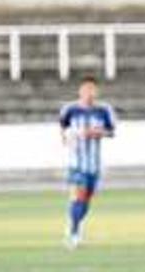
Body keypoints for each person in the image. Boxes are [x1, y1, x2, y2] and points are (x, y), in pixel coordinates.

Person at [59, 75, 116, 249]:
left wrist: (98, 133)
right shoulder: (70, 110)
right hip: (77, 163)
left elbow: (111, 132)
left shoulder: (103, 111)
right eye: (86, 89)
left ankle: (74, 226)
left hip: (94, 164)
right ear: (80, 91)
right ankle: (74, 234)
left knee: (86, 199)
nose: (89, 93)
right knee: (81, 193)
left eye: (92, 89)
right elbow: (62, 127)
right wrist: (66, 139)